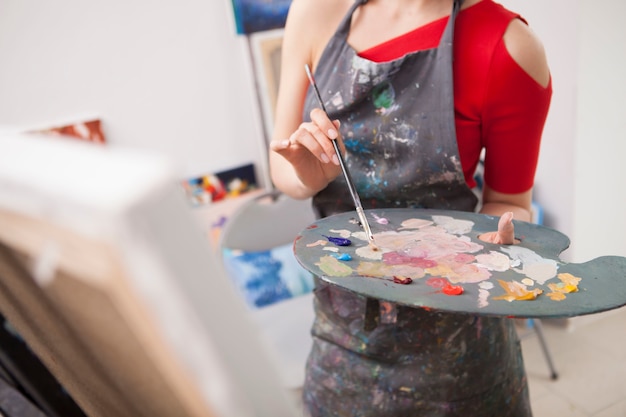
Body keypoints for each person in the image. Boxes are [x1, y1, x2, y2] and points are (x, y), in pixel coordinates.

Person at [269, 0, 552, 415]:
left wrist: (501, 244)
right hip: (341, 346)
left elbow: (510, 202)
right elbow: (282, 162)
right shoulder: (315, 12)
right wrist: (308, 175)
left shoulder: (507, 46)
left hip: (457, 359)